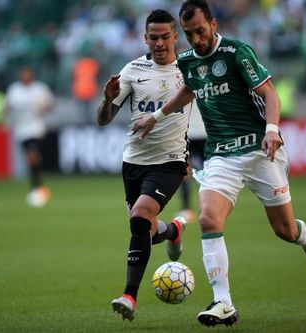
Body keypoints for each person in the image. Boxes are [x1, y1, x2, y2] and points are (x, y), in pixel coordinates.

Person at [132, 0, 306, 327]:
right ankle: (223, 302)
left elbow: (270, 95)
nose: (196, 39)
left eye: (200, 31)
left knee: (285, 229)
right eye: (189, 34)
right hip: (221, 155)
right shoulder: (188, 62)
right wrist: (156, 117)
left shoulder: (237, 53)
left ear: (213, 24)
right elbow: (188, 90)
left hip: (258, 149)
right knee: (209, 220)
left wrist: (271, 130)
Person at [96, 9, 191, 322]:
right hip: (133, 162)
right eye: (154, 38)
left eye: (165, 37)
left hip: (170, 161)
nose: (160, 43)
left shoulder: (189, 69)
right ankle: (173, 230)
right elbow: (103, 120)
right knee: (146, 231)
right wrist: (107, 101)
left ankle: (129, 296)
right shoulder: (133, 69)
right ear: (145, 38)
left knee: (140, 214)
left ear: (176, 36)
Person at [5, 66, 54, 207]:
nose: (25, 76)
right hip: (21, 130)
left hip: (36, 128)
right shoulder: (14, 90)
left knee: (32, 155)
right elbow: (7, 107)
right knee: (30, 158)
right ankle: (37, 184)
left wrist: (43, 108)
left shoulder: (40, 89)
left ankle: (37, 187)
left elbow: (50, 105)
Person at [177, 107, 206, 223]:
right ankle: (188, 208)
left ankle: (205, 206)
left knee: (208, 171)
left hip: (202, 133)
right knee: (185, 171)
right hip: (189, 132)